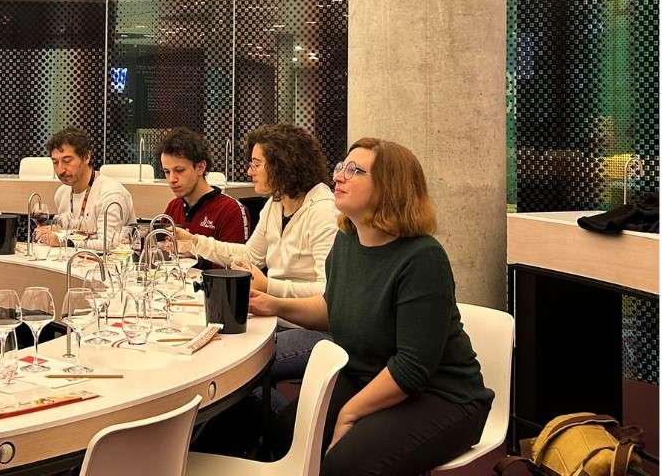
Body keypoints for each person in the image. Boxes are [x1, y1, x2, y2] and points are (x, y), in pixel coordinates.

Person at [249, 138, 493, 476]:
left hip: (442, 396)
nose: (339, 177)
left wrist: (350, 413)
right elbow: (333, 309)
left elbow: (412, 367)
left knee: (346, 464)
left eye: (356, 171)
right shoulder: (347, 241)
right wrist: (273, 304)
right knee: (284, 432)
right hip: (369, 376)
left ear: (389, 188)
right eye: (341, 167)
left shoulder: (422, 257)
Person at [171, 123, 337, 397]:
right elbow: (250, 255)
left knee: (235, 365)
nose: (249, 171)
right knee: (219, 350)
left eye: (256, 164)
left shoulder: (322, 211)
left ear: (283, 164)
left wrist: (270, 287)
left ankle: (279, 428)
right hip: (276, 316)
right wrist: (194, 242)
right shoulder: (276, 203)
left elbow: (328, 291)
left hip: (313, 327)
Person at [33, 126, 135, 249]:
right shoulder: (61, 193)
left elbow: (107, 244)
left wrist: (63, 241)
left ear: (87, 157)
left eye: (67, 160)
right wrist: (56, 231)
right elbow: (75, 232)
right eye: (55, 162)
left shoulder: (111, 194)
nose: (60, 170)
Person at [158, 127, 249, 246]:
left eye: (179, 170)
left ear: (200, 167)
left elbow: (237, 261)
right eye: (167, 172)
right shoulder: (173, 207)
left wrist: (193, 253)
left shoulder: (230, 210)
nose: (172, 179)